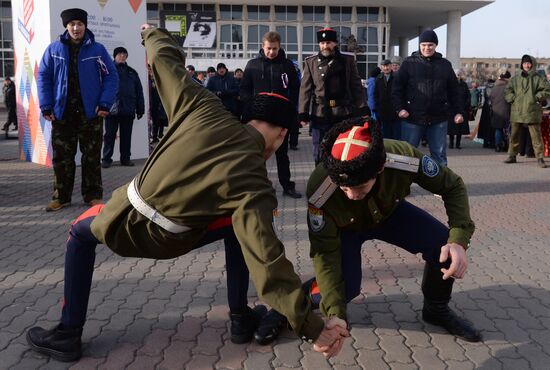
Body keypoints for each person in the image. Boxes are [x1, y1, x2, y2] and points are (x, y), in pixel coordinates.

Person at [26, 26, 348, 363]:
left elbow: (165, 61)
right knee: (242, 228)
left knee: (79, 234)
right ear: (282, 135)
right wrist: (312, 326)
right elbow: (268, 260)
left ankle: (68, 331)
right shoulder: (255, 185)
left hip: (127, 215)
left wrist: (151, 34)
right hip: (173, 237)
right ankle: (238, 315)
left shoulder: (202, 107)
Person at [302, 116, 482, 345]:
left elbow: (452, 185)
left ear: (379, 169)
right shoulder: (320, 189)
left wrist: (458, 238)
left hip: (388, 214)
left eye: (359, 187)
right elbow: (324, 256)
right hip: (345, 228)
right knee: (345, 286)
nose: (351, 195)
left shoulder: (402, 158)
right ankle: (298, 302)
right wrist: (336, 315)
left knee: (442, 245)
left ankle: (436, 310)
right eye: (344, 188)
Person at [37, 8, 118, 212]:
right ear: (66, 26)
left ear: (85, 26)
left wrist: (105, 103)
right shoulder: (53, 50)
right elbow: (44, 78)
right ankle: (61, 197)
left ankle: (93, 196)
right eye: (72, 24)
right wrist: (46, 105)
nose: (76, 28)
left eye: (80, 24)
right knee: (62, 158)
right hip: (62, 114)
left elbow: (111, 77)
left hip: (91, 113)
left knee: (91, 157)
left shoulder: (97, 50)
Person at [240, 31, 302, 199]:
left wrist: (293, 110)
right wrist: (251, 104)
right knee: (258, 155)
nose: (271, 52)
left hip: (281, 116)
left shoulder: (288, 65)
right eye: (268, 48)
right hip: (258, 117)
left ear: (279, 47)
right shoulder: (252, 65)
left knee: (282, 153)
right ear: (263, 46)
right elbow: (244, 89)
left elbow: (296, 88)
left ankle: (287, 186)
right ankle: (260, 186)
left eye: (275, 48)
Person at [392, 29, 464, 166]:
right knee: (407, 155)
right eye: (423, 44)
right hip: (412, 117)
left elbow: (454, 91)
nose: (427, 48)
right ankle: (403, 186)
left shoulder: (445, 65)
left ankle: (441, 186)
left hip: (439, 118)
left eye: (430, 45)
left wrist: (458, 111)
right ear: (419, 45)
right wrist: (400, 108)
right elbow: (396, 89)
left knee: (439, 156)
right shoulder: (409, 63)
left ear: (436, 46)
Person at [299, 28, 368, 165]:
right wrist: (303, 113)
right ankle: (320, 180)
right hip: (320, 113)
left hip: (343, 112)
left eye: (328, 42)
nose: (325, 46)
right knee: (319, 151)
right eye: (322, 43)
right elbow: (305, 89)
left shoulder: (347, 61)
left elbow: (356, 86)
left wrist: (362, 108)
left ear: (335, 43)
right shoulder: (311, 62)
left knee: (341, 150)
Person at [101, 47, 145, 168]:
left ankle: (125, 159)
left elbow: (139, 91)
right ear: (114, 56)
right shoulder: (107, 70)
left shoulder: (132, 72)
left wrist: (140, 108)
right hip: (111, 109)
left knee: (126, 137)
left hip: (128, 109)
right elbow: (102, 89)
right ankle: (106, 159)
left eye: (124, 54)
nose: (122, 56)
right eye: (119, 54)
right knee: (109, 136)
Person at [504, 55, 550, 168]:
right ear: (521, 64)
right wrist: (512, 98)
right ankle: (512, 155)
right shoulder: (515, 79)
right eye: (524, 63)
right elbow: (507, 91)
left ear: (532, 64)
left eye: (528, 63)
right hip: (517, 110)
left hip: (532, 110)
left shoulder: (538, 78)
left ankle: (540, 158)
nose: (526, 65)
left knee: (536, 136)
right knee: (514, 135)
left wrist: (537, 97)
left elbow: (547, 90)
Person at [374, 59, 400, 140]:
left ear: (391, 66)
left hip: (395, 110)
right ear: (381, 67)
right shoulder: (378, 78)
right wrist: (378, 107)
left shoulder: (397, 77)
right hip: (383, 110)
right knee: (385, 133)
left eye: (387, 66)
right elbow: (376, 94)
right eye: (384, 66)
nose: (386, 68)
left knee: (396, 134)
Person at [489, 68, 511, 153]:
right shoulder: (508, 88)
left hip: (496, 112)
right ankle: (506, 146)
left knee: (498, 130)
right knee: (507, 131)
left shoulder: (494, 88)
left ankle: (497, 146)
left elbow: (491, 100)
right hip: (507, 111)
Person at [448, 69, 470, 149]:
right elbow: (448, 97)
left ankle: (458, 144)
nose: (458, 76)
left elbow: (468, 96)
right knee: (451, 128)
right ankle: (451, 143)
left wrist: (466, 106)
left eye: (459, 74)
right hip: (452, 110)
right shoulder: (450, 84)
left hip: (462, 109)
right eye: (457, 74)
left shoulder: (464, 85)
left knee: (460, 128)